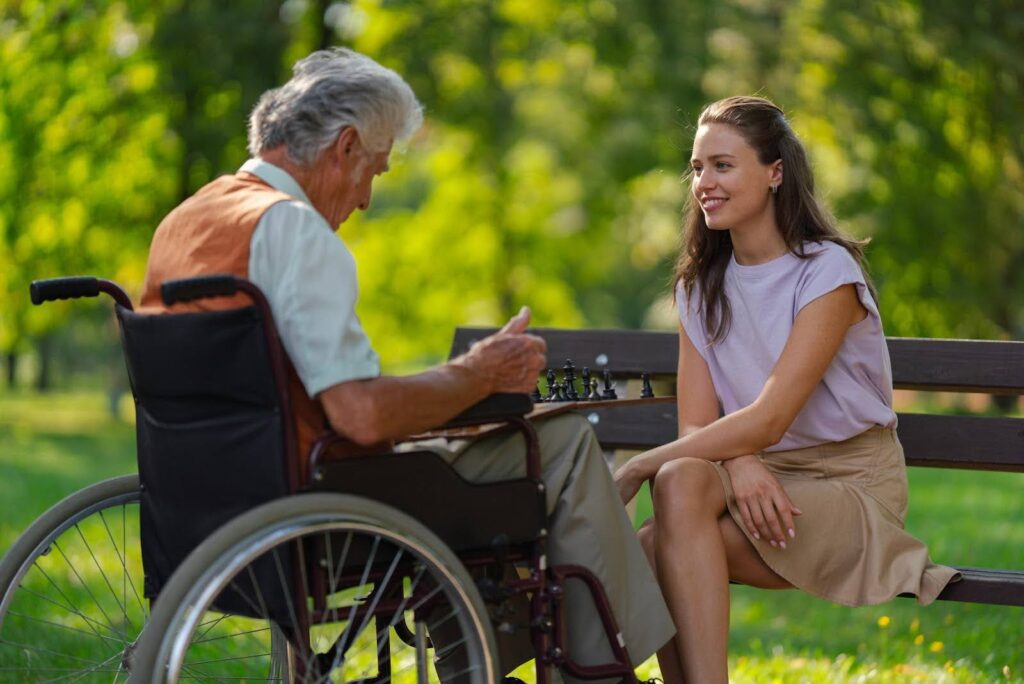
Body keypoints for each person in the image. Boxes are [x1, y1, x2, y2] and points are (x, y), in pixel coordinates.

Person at [140, 48, 674, 680]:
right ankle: (596, 672)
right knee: (561, 442)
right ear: (344, 147)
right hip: (323, 503)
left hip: (206, 498)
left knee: (477, 451)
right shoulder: (296, 233)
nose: (366, 199)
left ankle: (482, 660)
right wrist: (478, 374)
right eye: (375, 171)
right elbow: (362, 417)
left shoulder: (189, 220)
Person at [612, 96, 959, 684]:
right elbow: (697, 427)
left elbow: (771, 415)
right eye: (697, 168)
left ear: (775, 172)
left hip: (849, 489)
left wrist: (636, 466)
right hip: (763, 478)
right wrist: (742, 459)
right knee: (680, 479)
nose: (704, 183)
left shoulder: (827, 273)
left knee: (654, 536)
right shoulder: (700, 287)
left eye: (722, 165)